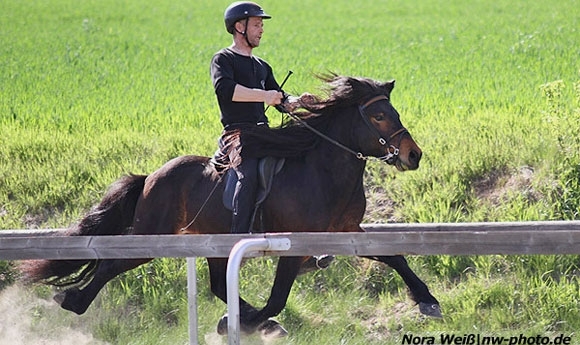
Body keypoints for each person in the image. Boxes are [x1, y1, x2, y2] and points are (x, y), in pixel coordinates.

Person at [211, 1, 294, 234]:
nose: (261, 30)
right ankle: (239, 237)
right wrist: (264, 95)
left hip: (262, 134)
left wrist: (299, 101)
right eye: (257, 24)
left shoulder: (262, 66)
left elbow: (281, 100)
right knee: (247, 176)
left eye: (261, 25)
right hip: (236, 135)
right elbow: (226, 90)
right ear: (240, 27)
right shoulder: (223, 59)